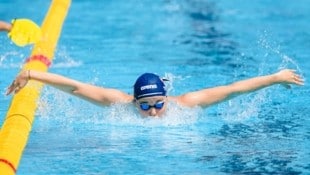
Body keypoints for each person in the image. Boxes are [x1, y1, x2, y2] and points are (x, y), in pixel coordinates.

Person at [6, 69, 304, 117]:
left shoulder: (185, 105)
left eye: (158, 104)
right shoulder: (120, 105)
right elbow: (75, 87)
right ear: (133, 100)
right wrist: (32, 74)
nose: (152, 113)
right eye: (144, 106)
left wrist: (275, 78)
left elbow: (231, 90)